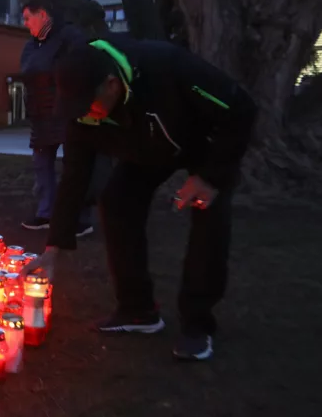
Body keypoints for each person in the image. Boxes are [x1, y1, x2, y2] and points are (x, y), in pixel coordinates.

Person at [22, 37, 256, 361]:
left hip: (206, 145)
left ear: (111, 84)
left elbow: (241, 109)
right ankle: (138, 310)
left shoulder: (168, 66)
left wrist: (209, 177)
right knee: (117, 201)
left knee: (208, 214)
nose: (87, 115)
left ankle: (197, 324)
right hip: (147, 149)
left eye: (90, 105)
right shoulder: (83, 114)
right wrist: (53, 248)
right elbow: (75, 178)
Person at [18, 0, 108, 235]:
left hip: (68, 111)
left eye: (27, 18)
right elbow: (29, 68)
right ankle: (46, 212)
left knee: (76, 165)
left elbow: (75, 67)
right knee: (42, 164)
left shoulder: (70, 37)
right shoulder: (32, 45)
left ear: (42, 14)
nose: (25, 23)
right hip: (41, 114)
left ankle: (79, 217)